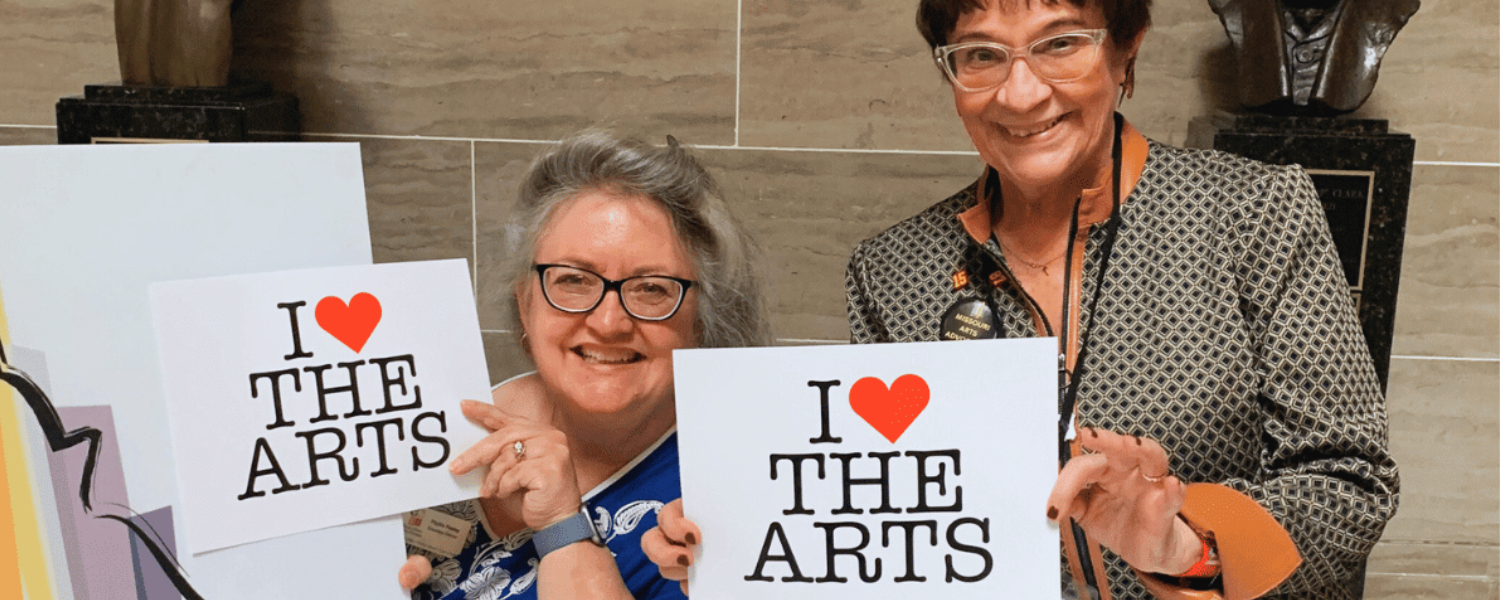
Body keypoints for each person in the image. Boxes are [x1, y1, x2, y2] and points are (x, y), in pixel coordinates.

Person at [643, 1, 1398, 599]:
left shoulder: (1253, 215)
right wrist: (744, 538)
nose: (1021, 90)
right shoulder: (889, 270)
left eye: (1061, 43)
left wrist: (1184, 544)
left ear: (1125, 48)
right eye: (980, 54)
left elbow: (1351, 480)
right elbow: (890, 514)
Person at [398, 130, 771, 600]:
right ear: (525, 303)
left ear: (703, 317)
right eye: (573, 279)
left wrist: (561, 528)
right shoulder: (434, 424)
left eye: (652, 288)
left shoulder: (732, 498)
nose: (609, 322)